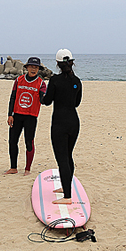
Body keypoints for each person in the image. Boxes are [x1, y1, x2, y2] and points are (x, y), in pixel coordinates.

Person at [42, 49, 82, 204]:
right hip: (74, 122)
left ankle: (67, 197)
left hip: (59, 123)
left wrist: (41, 95)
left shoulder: (54, 80)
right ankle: (66, 188)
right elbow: (77, 103)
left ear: (57, 64)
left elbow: (47, 101)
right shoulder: (77, 81)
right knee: (68, 155)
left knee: (62, 159)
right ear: (72, 62)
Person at [4, 57, 47, 175]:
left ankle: (27, 169)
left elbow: (44, 99)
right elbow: (13, 98)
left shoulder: (41, 83)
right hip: (17, 115)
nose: (34, 69)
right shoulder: (19, 80)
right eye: (32, 66)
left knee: (29, 142)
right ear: (27, 67)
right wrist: (10, 114)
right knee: (13, 141)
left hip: (31, 117)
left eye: (36, 67)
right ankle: (13, 167)